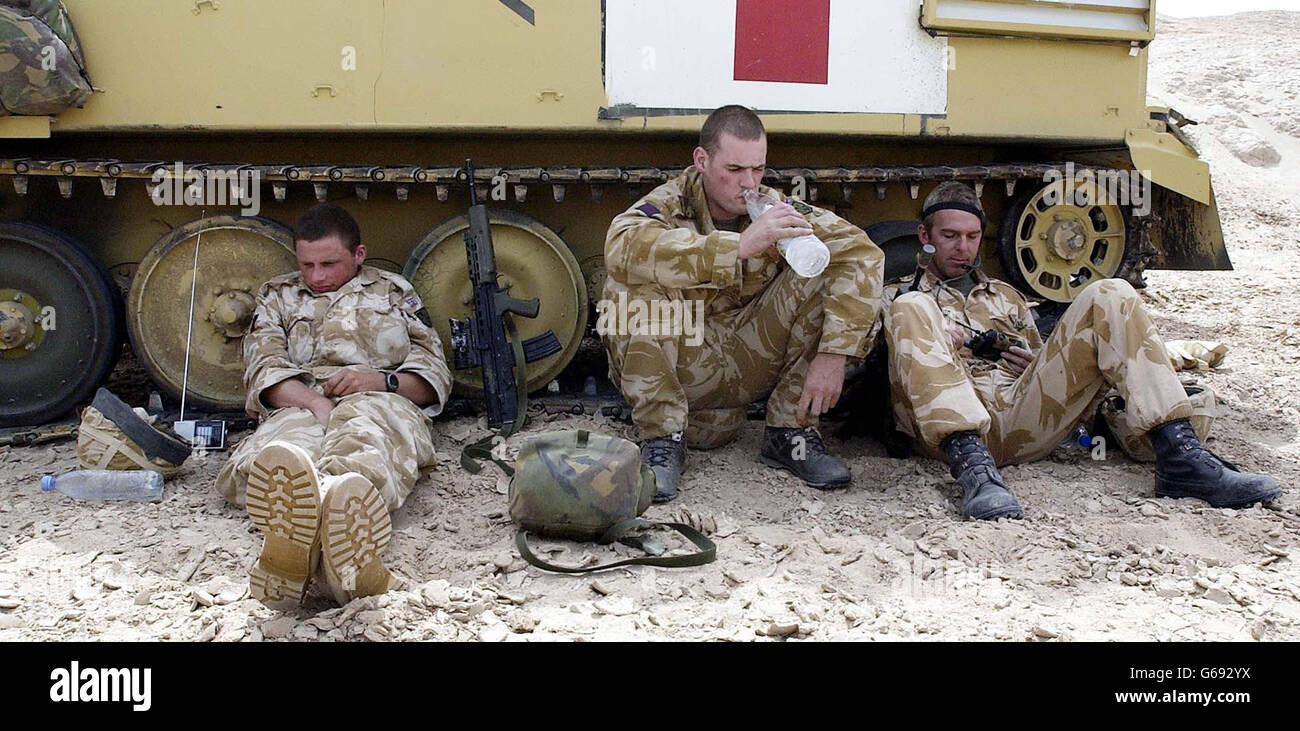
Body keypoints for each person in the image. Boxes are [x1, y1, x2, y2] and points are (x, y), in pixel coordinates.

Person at [883, 181, 1280, 520]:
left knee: (1112, 291)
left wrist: (1032, 363)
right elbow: (870, 373)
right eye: (950, 236)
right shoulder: (896, 295)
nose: (962, 248)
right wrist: (937, 340)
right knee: (912, 308)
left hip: (1019, 414)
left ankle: (1181, 456)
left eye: (971, 238)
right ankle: (976, 477)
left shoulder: (1006, 297)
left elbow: (1053, 367)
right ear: (925, 237)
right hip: (942, 432)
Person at [601, 105, 884, 502]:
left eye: (758, 169)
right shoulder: (670, 203)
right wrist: (737, 248)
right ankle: (663, 439)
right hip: (682, 359)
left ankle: (792, 432)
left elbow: (861, 253)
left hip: (747, 357)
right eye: (734, 170)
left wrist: (835, 353)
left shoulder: (772, 208)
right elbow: (621, 245)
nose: (749, 183)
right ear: (702, 160)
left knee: (822, 266)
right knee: (633, 282)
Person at [214, 203, 451, 605]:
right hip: (301, 400)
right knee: (274, 459)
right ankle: (337, 552)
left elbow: (434, 373)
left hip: (379, 400)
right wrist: (314, 404)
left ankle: (306, 542)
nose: (317, 276)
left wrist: (380, 380)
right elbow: (263, 369)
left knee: (365, 451)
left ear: (359, 254)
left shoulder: (393, 292)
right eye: (307, 265)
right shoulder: (278, 296)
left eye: (329, 263)